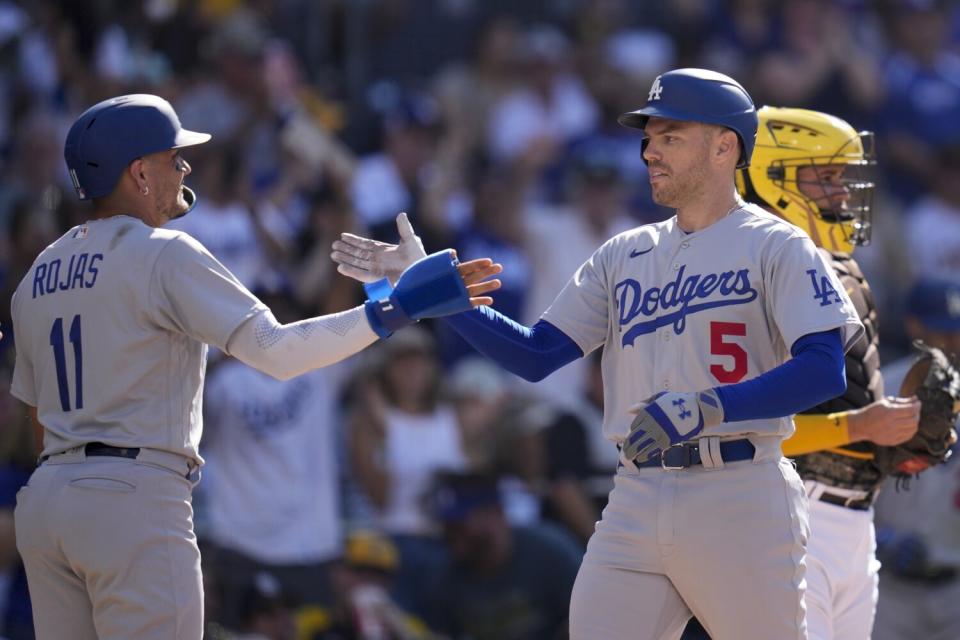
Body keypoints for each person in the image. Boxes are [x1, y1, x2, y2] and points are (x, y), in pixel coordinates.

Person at [332, 68, 864, 639]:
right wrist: (435, 291)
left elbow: (822, 367)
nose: (650, 153)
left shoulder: (777, 244)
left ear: (723, 145)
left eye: (670, 137)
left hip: (739, 490)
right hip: (636, 494)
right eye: (649, 139)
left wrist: (707, 406)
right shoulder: (624, 253)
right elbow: (536, 354)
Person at [8, 94, 502, 640]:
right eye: (174, 158)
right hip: (132, 495)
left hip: (49, 499)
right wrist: (394, 308)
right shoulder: (164, 251)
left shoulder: (37, 273)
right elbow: (278, 352)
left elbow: (34, 421)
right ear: (138, 172)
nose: (185, 168)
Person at [732, 106, 922, 640]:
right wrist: (860, 428)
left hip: (855, 521)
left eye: (843, 178)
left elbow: (853, 406)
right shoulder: (754, 268)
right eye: (827, 177)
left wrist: (901, 437)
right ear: (774, 174)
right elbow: (740, 426)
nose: (842, 193)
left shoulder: (844, 267)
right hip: (788, 512)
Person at [872, 276, 960, 640]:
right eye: (939, 330)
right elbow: (843, 482)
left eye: (956, 331)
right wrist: (879, 537)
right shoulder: (881, 390)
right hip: (889, 589)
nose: (950, 342)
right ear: (913, 325)